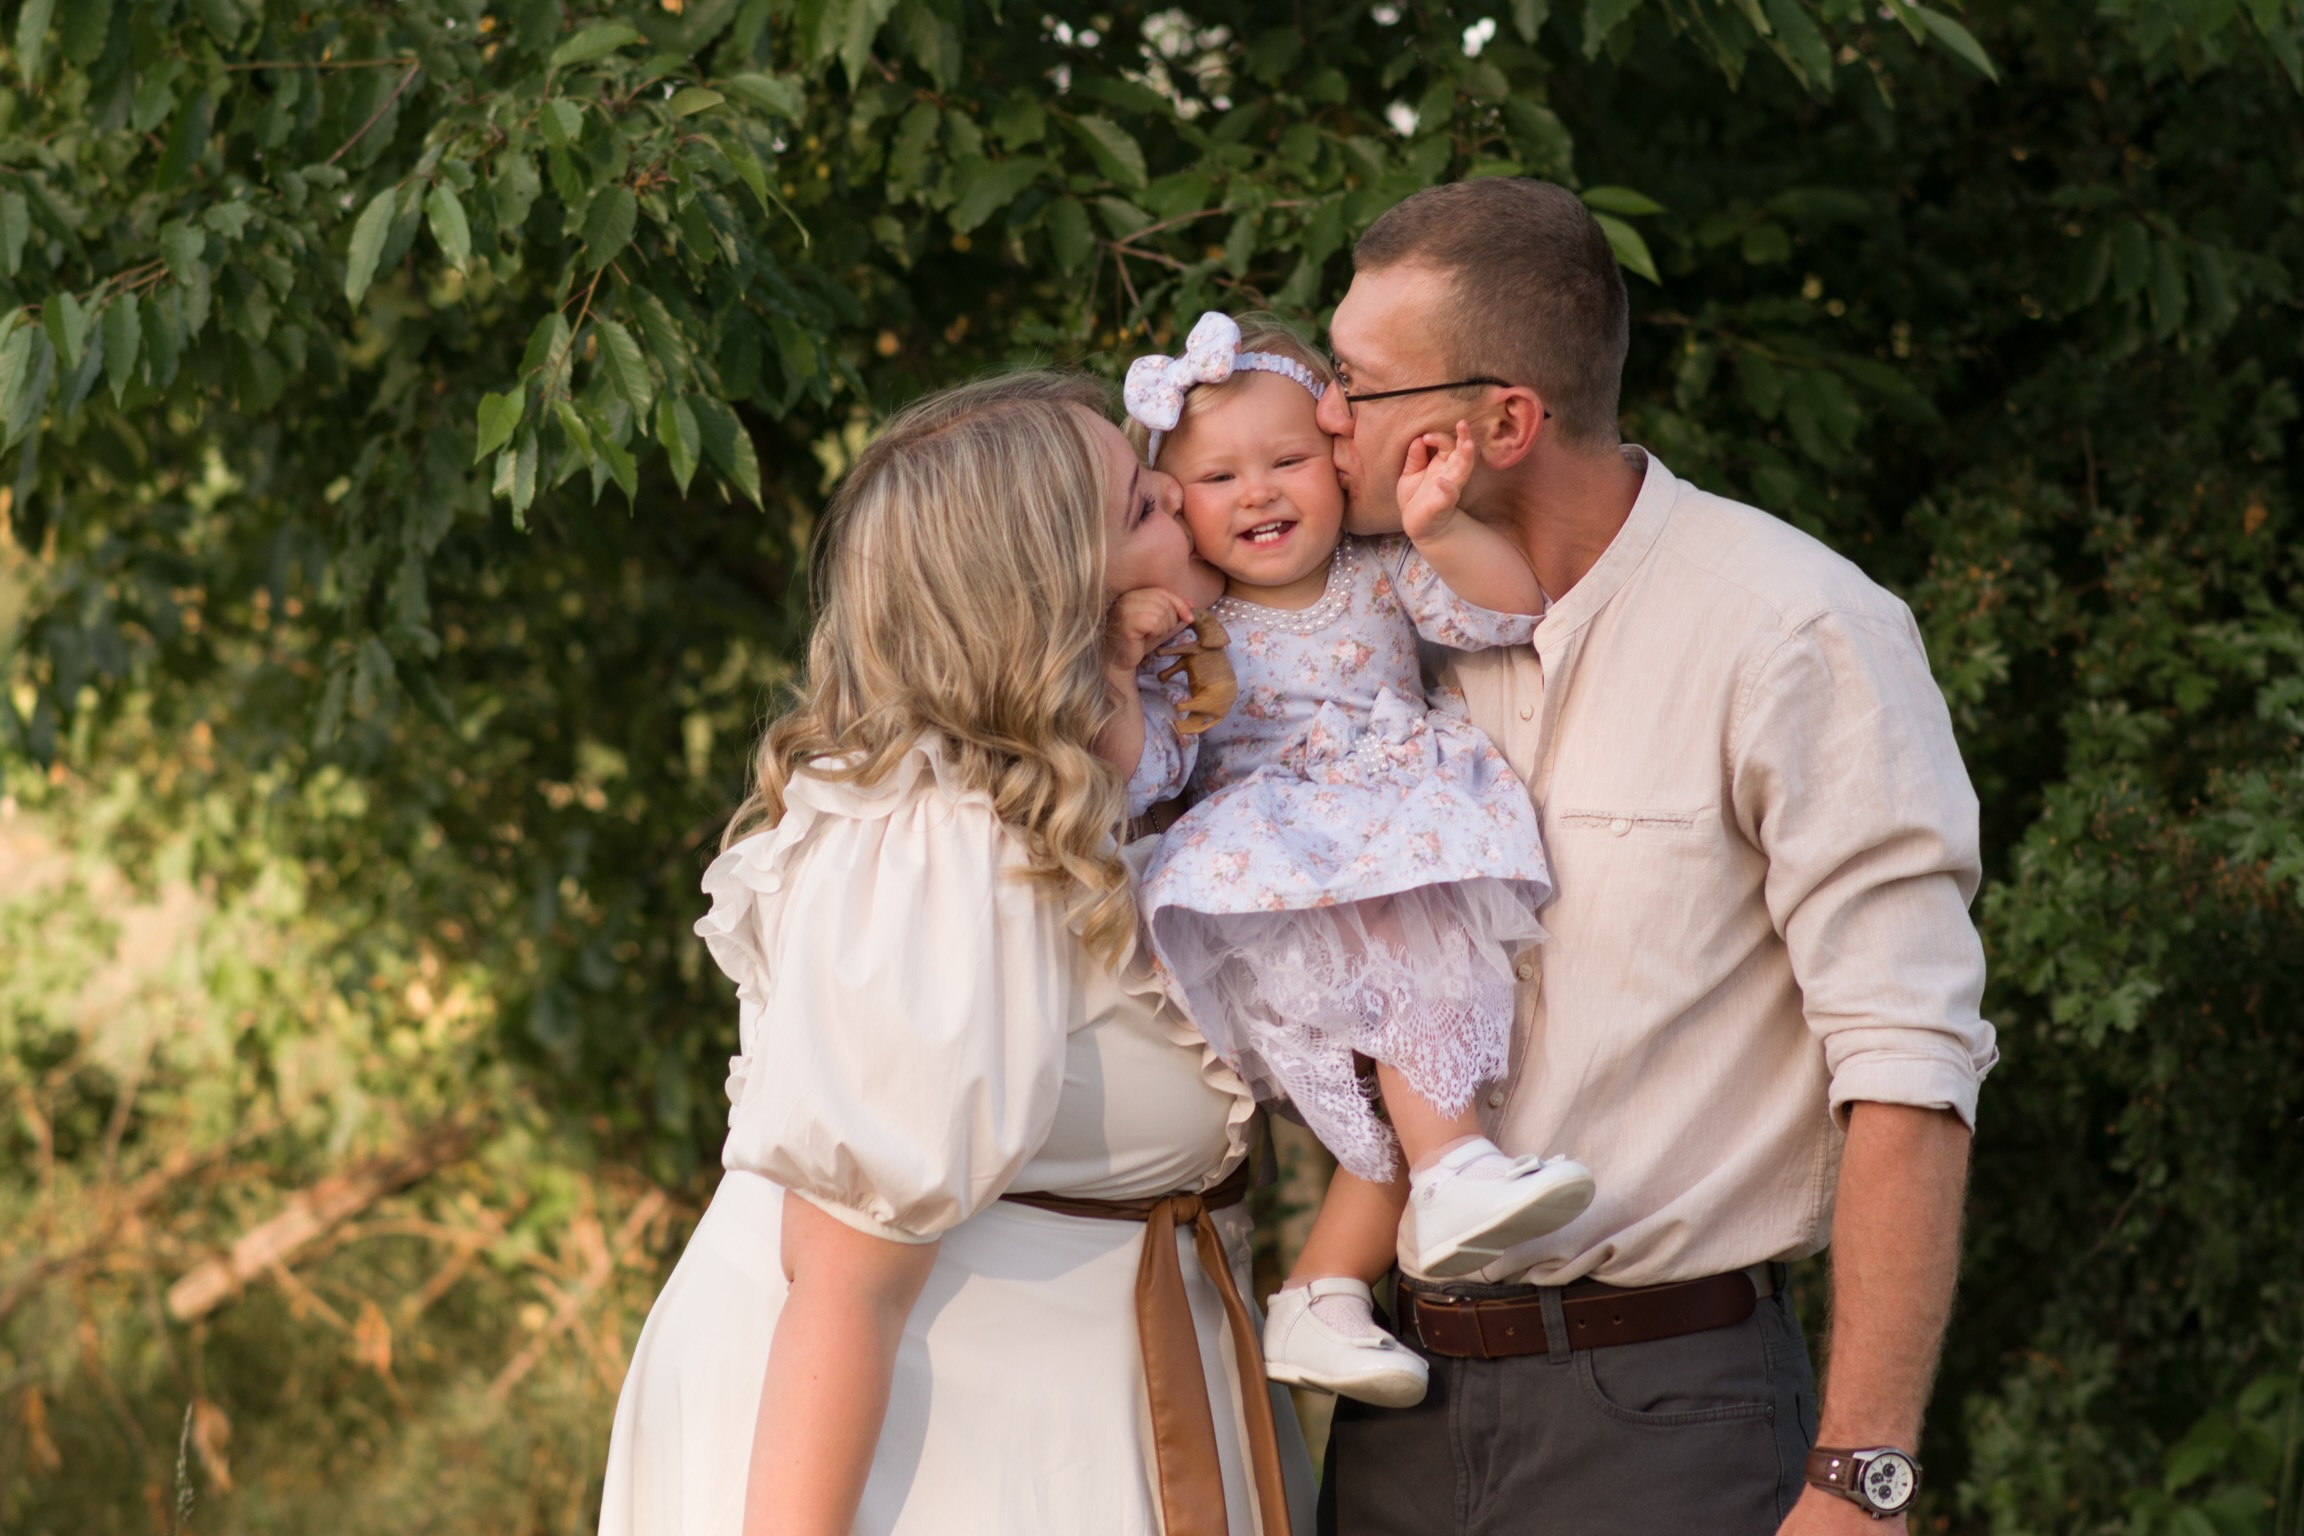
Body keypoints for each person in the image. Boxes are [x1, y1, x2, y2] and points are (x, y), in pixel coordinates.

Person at [1311, 178, 1999, 1534]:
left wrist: (1862, 1481)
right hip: (1400, 1412)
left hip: (1669, 1413)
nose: (1325, 415)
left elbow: (1908, 1067)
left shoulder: (1794, 631)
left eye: (1357, 383)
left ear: (1499, 421)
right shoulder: (1371, 637)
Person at [595, 371, 1316, 1536]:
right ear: (1047, 596)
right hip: (914, 1442)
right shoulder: (941, 848)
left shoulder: (1102, 762)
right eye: (1142, 506)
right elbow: (842, 1281)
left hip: (1077, 1395)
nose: (1187, 502)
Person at [1102, 311, 1595, 1414]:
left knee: (1404, 1080)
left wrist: (1441, 522)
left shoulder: (1382, 570)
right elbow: (1141, 770)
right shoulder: (1194, 623)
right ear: (1177, 511)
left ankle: (1321, 1293)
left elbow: (1513, 608)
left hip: (1395, 836)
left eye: (1287, 461)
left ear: (1336, 460)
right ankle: (1455, 1171)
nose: (1261, 493)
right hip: (1283, 865)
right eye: (1219, 477)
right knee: (1415, 1058)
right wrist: (1128, 649)